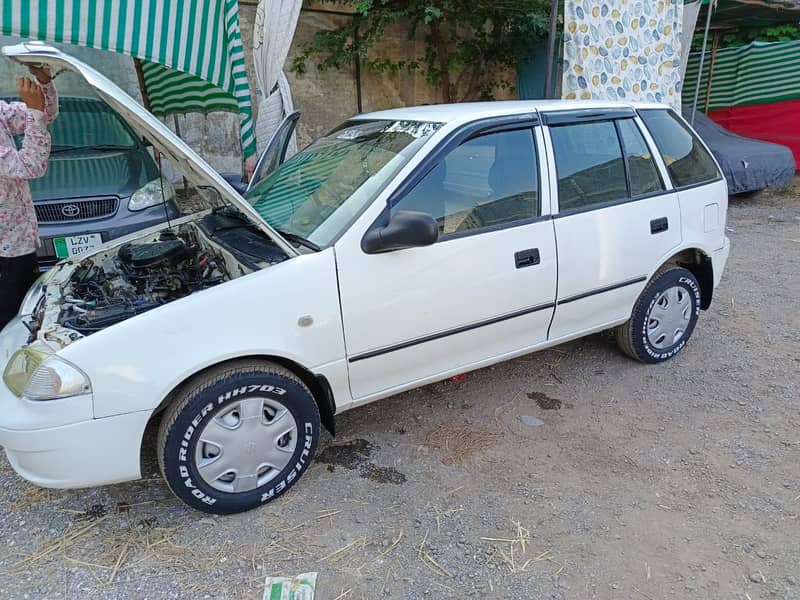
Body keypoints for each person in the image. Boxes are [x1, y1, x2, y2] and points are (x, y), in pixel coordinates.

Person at [0, 66, 58, 330]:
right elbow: (30, 166)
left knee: (27, 312)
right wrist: (35, 109)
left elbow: (44, 114)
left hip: (20, 240)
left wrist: (44, 83)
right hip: (5, 251)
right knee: (11, 324)